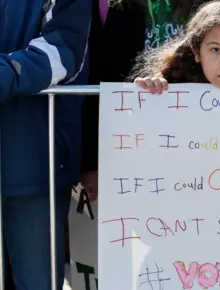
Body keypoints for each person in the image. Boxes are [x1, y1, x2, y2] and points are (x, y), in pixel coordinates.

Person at [81, 0, 220, 199]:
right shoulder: (112, 6)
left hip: (212, 151)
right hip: (139, 153)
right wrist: (91, 163)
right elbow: (99, 82)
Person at [0, 0, 91, 289]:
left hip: (34, 164)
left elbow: (64, 53)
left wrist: (7, 72)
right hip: (33, 163)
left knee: (37, 283)